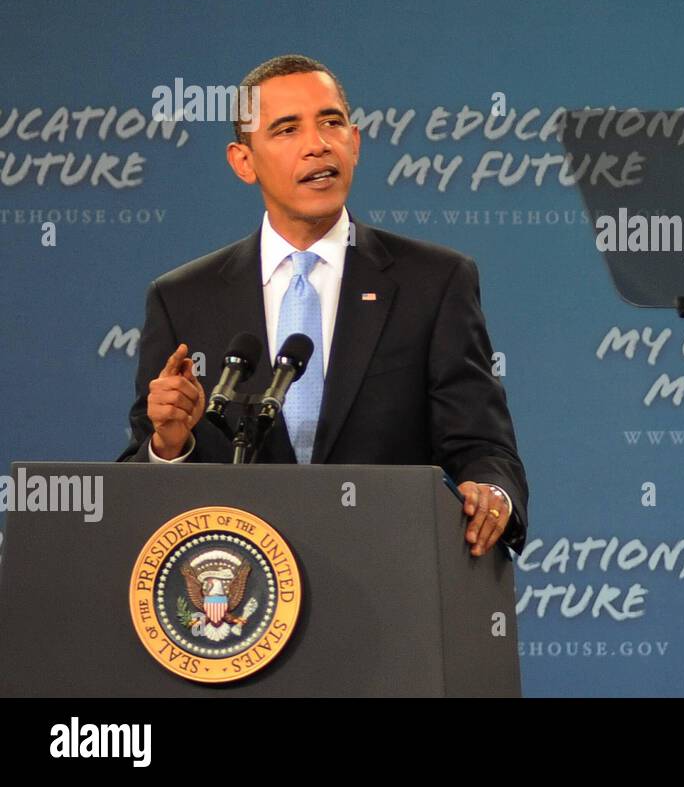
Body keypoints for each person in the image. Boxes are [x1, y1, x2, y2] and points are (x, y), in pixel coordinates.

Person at [119, 54, 527, 555]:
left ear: (355, 142)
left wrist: (493, 494)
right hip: (242, 603)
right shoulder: (182, 299)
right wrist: (169, 446)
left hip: (394, 582)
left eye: (331, 122)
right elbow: (139, 478)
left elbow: (482, 447)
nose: (317, 145)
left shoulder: (435, 282)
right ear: (243, 162)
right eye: (287, 129)